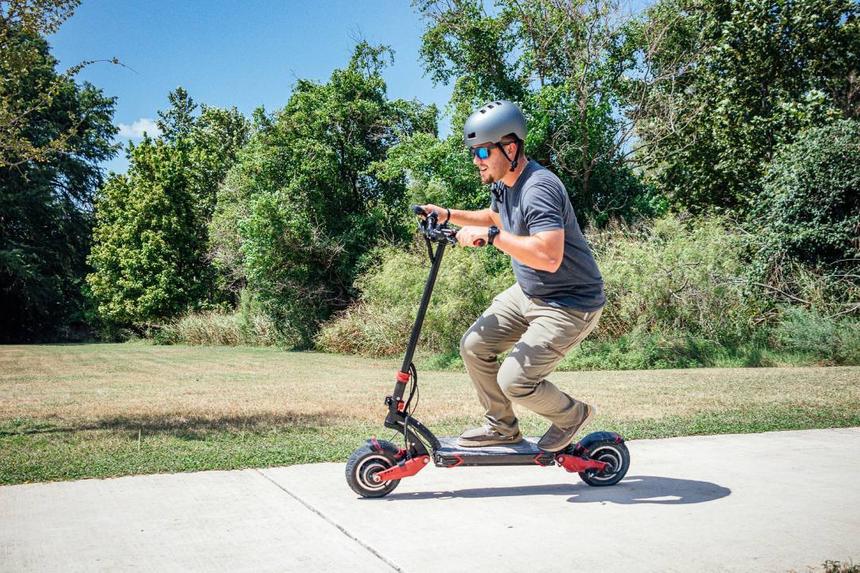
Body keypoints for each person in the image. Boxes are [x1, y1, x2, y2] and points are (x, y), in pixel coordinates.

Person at [420, 100, 605, 452]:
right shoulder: (504, 183)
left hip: (569, 303)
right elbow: (494, 218)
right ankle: (501, 428)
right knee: (474, 346)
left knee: (515, 381)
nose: (477, 159)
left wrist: (493, 240)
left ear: (510, 146)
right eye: (474, 151)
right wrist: (446, 215)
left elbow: (549, 257)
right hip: (529, 292)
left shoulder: (539, 188)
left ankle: (571, 415)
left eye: (483, 150)